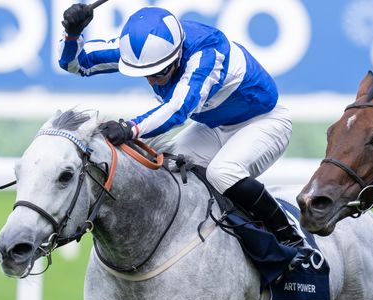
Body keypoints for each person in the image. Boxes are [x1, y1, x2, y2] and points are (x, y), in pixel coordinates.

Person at [58, 3, 305, 250]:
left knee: (222, 172)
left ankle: (290, 237)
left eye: (159, 72)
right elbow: (76, 64)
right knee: (164, 169)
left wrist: (129, 128)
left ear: (177, 54)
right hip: (214, 126)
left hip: (264, 122)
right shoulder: (141, 47)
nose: (152, 80)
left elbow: (178, 110)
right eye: (145, 74)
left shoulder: (208, 51)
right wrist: (72, 34)